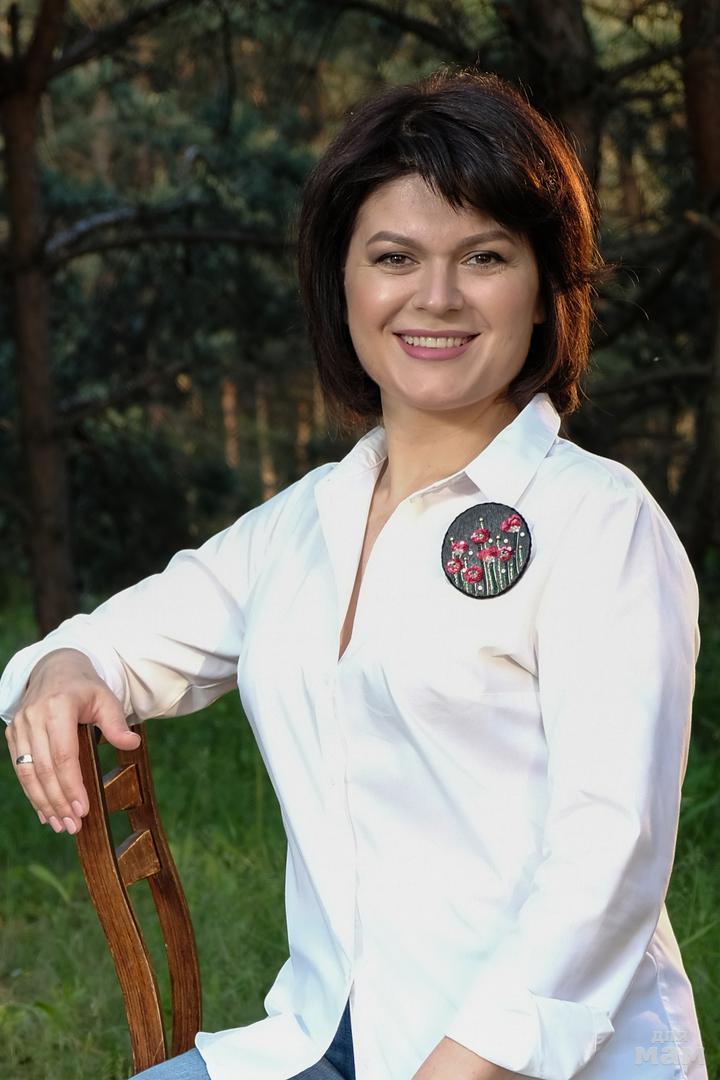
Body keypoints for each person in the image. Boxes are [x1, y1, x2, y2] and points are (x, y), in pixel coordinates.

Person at [0, 68, 708, 1080]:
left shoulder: (599, 523)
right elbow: (112, 643)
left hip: (538, 1058)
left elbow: (612, 853)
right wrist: (63, 667)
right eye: (395, 257)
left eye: (484, 257)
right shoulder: (309, 520)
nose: (437, 296)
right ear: (344, 281)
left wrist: (462, 1064)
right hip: (329, 1037)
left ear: (545, 287)